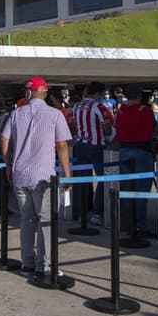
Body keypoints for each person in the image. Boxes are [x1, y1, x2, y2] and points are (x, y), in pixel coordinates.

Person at [0, 77, 72, 281]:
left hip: (20, 174)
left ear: (30, 93)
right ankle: (45, 266)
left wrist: (8, 164)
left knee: (26, 220)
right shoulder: (55, 115)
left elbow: (4, 139)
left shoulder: (16, 114)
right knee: (46, 221)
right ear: (45, 93)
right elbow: (62, 145)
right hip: (44, 177)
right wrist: (67, 175)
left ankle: (28, 264)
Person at [70, 82, 115, 225]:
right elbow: (107, 129)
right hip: (96, 146)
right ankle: (97, 212)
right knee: (103, 178)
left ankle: (79, 211)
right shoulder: (99, 107)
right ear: (97, 94)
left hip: (80, 144)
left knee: (81, 179)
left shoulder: (76, 106)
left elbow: (76, 126)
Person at [114, 88, 156, 235]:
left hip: (124, 150)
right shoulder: (145, 111)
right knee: (141, 190)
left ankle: (127, 223)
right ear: (139, 96)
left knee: (126, 189)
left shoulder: (121, 111)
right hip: (142, 152)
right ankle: (140, 226)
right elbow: (153, 129)